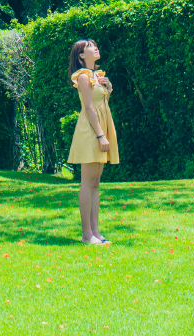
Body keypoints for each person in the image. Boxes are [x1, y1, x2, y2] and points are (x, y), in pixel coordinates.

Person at [67, 38, 119, 245]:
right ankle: (87, 234)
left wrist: (109, 89)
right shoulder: (82, 77)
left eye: (95, 45)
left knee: (95, 183)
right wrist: (100, 135)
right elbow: (88, 108)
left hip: (100, 127)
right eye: (90, 47)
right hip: (90, 131)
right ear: (81, 56)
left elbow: (100, 103)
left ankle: (96, 233)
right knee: (87, 183)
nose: (95, 48)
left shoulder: (98, 75)